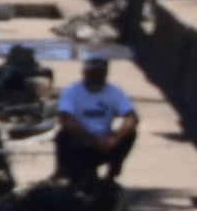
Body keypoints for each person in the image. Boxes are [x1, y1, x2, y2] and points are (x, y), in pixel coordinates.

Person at [55, 54, 139, 186]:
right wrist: (91, 139)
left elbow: (132, 118)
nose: (96, 77)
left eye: (100, 73)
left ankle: (111, 176)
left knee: (131, 134)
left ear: (106, 74)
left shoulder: (115, 92)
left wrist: (114, 139)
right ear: (84, 73)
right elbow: (65, 118)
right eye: (92, 72)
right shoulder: (71, 91)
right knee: (63, 135)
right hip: (81, 143)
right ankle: (69, 174)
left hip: (106, 144)